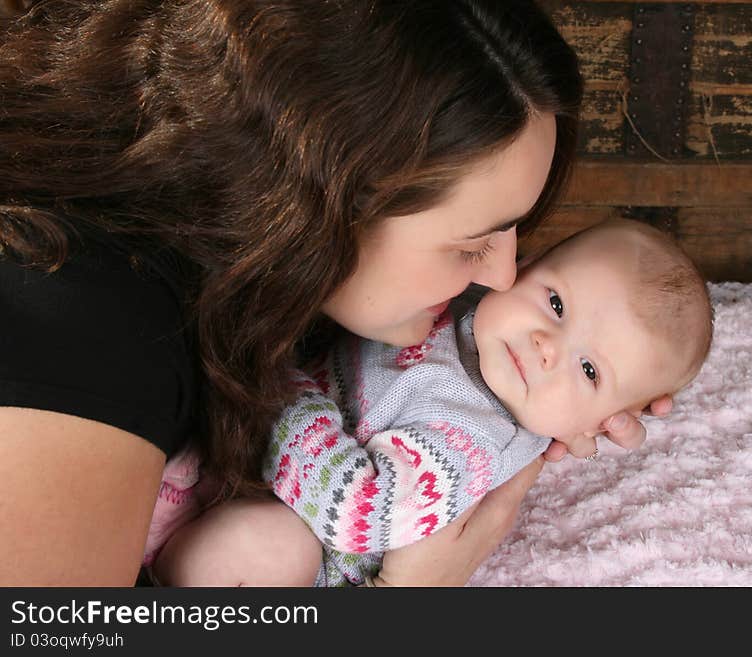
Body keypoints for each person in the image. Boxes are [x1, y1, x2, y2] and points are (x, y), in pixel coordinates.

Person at [0, 0, 667, 586]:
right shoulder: (80, 332)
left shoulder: (254, 268)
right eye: (471, 244)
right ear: (314, 205)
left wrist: (585, 369)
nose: (500, 275)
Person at [149, 219, 711, 586]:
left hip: (307, 534)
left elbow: (357, 510)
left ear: (602, 421)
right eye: (557, 303)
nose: (546, 347)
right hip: (244, 461)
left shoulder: (470, 443)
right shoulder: (472, 310)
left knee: (265, 550)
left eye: (589, 370)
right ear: (524, 269)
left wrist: (280, 392)